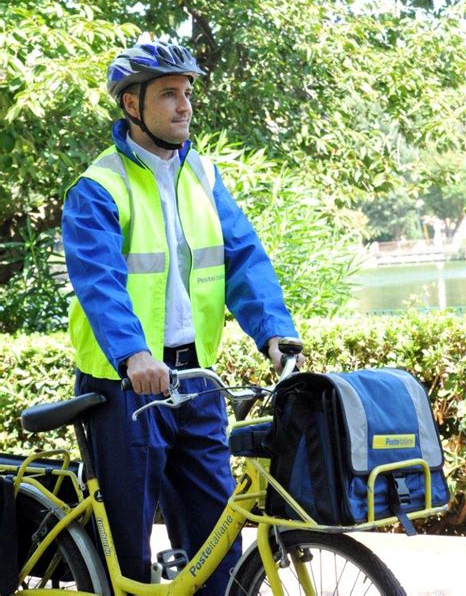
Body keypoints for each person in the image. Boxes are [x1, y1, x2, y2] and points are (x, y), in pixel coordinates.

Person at [62, 41, 300, 594]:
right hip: (124, 387)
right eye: (168, 94)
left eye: (187, 93)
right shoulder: (99, 188)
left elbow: (243, 258)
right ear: (131, 105)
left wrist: (274, 331)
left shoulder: (203, 177)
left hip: (194, 384)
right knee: (124, 548)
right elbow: (101, 284)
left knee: (218, 540)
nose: (184, 105)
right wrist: (133, 354)